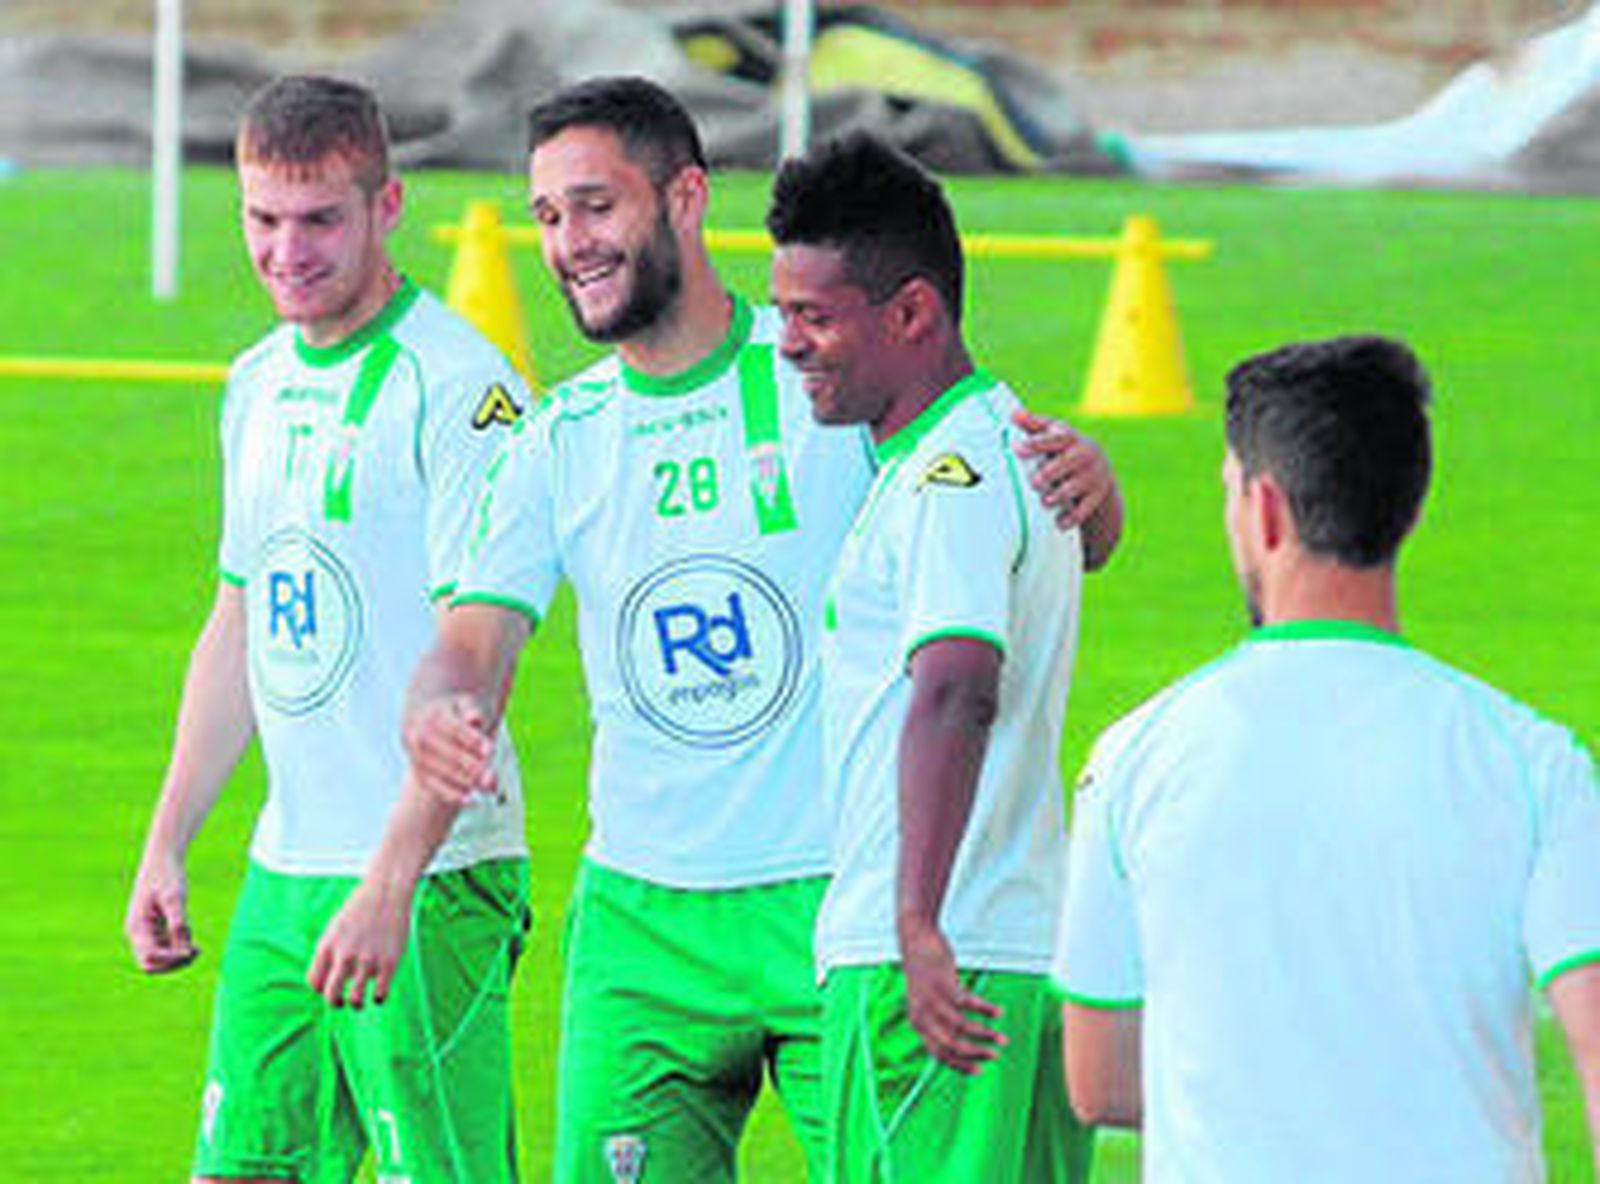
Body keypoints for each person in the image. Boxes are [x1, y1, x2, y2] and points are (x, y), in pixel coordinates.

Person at [317, 76, 1121, 1182]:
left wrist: (1098, 487)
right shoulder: (561, 436)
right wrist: (435, 713)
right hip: (641, 926)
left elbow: (1001, 520)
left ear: (686, 197)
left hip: (831, 895)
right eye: (547, 216)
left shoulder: (825, 369)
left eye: (595, 206)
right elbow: (471, 644)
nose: (568, 244)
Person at [1054, 335, 1600, 1181]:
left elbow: (1099, 1079)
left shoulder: (1136, 757)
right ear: (1409, 508)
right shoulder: (1531, 761)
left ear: (1263, 510)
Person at [122, 75, 532, 1183]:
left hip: (432, 872)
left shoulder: (460, 390)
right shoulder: (254, 383)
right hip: (282, 870)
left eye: (319, 221)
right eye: (262, 219)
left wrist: (392, 877)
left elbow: (477, 664)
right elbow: (240, 613)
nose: (285, 251)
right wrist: (170, 839)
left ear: (388, 205)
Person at [763, 131, 1094, 1182]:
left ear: (911, 312)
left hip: (932, 968)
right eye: (782, 315)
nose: (788, 343)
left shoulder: (943, 478)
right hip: (1026, 949)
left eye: (815, 317)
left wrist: (913, 922)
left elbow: (955, 688)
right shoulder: (1006, 445)